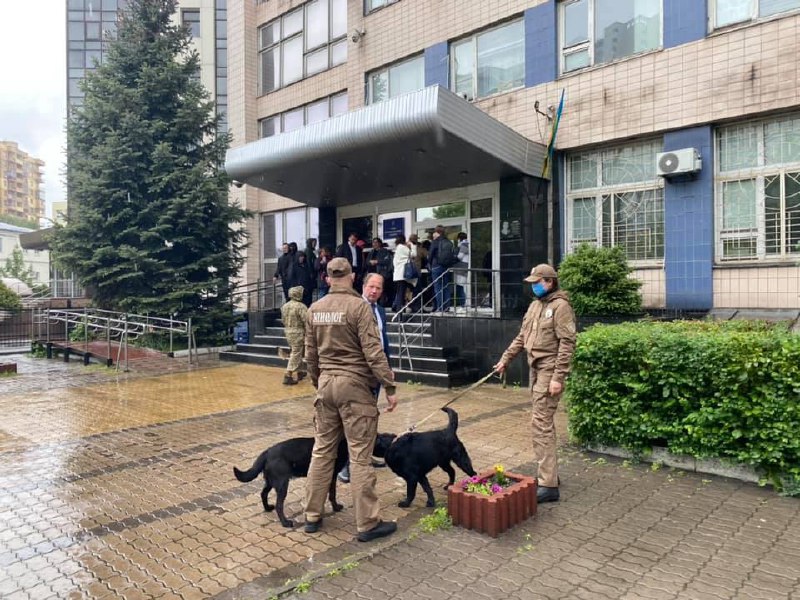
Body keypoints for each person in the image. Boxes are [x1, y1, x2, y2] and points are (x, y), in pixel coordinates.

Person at [304, 259, 398, 542]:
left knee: (322, 451)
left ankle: (312, 514)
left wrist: (319, 383)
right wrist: (389, 385)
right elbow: (373, 352)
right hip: (355, 388)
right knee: (359, 456)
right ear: (352, 277)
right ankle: (367, 523)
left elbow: (310, 356)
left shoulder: (314, 309)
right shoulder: (359, 307)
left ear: (327, 278)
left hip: (326, 386)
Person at [492, 264, 576, 504]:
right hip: (535, 368)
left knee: (541, 424)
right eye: (532, 283)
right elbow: (522, 337)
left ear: (550, 281)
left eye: (537, 282)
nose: (534, 286)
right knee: (543, 423)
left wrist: (558, 377)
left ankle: (548, 485)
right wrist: (505, 359)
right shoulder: (535, 306)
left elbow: (567, 343)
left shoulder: (561, 307)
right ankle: (550, 475)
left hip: (549, 369)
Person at [338, 272, 391, 483]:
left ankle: (367, 456)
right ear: (363, 286)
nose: (374, 291)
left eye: (378, 288)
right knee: (354, 421)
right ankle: (345, 464)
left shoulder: (380, 311)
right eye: (371, 286)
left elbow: (383, 343)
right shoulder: (354, 308)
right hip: (358, 376)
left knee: (370, 418)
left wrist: (388, 369)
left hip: (375, 375)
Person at [280, 285, 308, 385]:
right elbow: (306, 320)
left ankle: (300, 371)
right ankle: (288, 375)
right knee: (296, 352)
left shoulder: (285, 306)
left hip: (288, 331)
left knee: (296, 351)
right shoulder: (301, 306)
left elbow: (283, 320)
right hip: (298, 332)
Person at [429, 225, 455, 312]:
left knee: (438, 288)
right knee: (446, 287)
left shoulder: (435, 241)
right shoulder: (448, 242)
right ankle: (446, 307)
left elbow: (430, 255)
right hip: (446, 267)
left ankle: (440, 308)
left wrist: (429, 263)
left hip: (436, 266)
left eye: (434, 232)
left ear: (437, 232)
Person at [391, 234, 417, 314]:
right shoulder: (402, 247)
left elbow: (394, 263)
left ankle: (399, 309)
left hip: (398, 275)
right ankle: (400, 311)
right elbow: (414, 254)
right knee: (402, 294)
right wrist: (412, 245)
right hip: (403, 275)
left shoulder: (397, 249)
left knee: (400, 293)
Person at [364, 237, 392, 306]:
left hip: (380, 273)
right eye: (373, 242)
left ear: (379, 243)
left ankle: (381, 305)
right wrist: (370, 262)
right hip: (371, 274)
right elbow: (366, 262)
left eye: (376, 242)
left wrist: (377, 261)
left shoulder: (384, 251)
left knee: (380, 289)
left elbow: (387, 261)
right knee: (372, 289)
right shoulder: (371, 252)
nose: (374, 244)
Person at [453, 232, 469, 310]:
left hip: (461, 268)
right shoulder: (464, 245)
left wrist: (453, 256)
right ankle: (462, 305)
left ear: (459, 238)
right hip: (461, 267)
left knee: (460, 287)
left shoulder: (464, 245)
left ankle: (463, 305)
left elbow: (460, 256)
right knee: (460, 286)